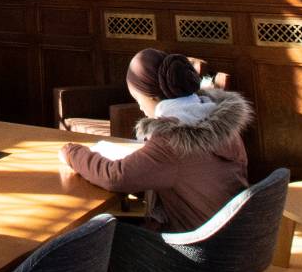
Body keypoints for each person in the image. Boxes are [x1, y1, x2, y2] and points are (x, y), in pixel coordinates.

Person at [59, 48, 252, 233]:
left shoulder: (172, 142)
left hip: (199, 248)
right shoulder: (217, 117)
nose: (141, 108)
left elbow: (115, 176)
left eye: (138, 99)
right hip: (232, 238)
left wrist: (71, 152)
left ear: (151, 97)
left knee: (99, 239)